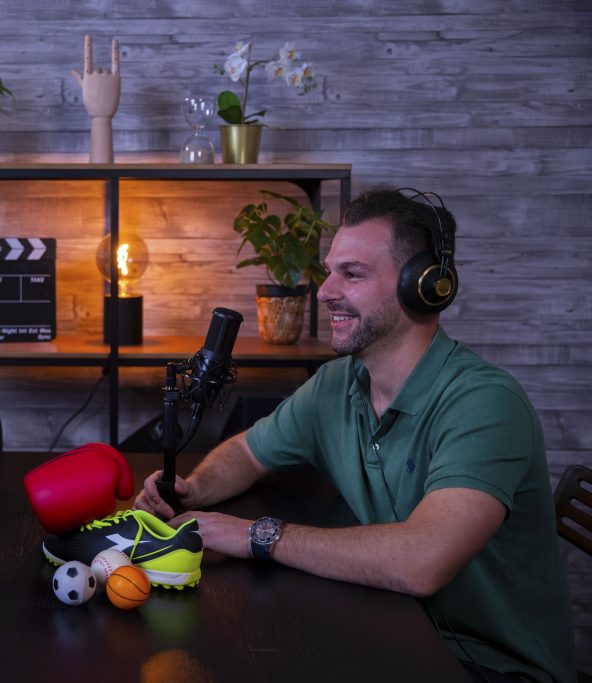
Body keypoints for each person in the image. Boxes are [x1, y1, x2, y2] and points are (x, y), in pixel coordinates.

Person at [135, 187, 575, 683]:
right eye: (329, 271)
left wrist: (254, 534)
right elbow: (249, 451)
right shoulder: (337, 383)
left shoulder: (485, 404)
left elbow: (421, 562)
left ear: (423, 286)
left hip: (488, 665)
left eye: (353, 273)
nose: (324, 291)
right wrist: (195, 488)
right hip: (394, 628)